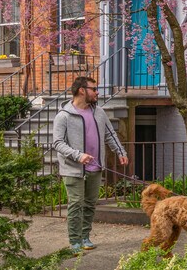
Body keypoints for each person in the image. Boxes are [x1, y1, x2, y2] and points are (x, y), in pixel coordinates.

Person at [53, 76, 129, 254]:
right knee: (76, 204)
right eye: (94, 89)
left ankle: (85, 236)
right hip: (73, 169)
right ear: (82, 90)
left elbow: (110, 134)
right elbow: (57, 143)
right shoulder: (63, 116)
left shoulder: (99, 112)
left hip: (95, 167)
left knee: (89, 204)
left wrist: (121, 152)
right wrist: (78, 156)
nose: (97, 92)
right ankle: (74, 241)